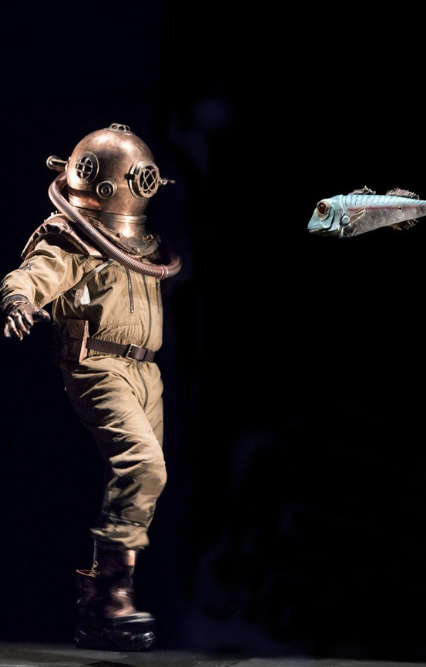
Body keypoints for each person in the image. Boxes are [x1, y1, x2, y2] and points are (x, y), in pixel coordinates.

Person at [0, 123, 182, 652]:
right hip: (98, 365)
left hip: (147, 372)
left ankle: (103, 604)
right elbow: (32, 273)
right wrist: (18, 301)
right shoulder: (75, 235)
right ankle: (111, 597)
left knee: (137, 478)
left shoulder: (142, 241)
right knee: (144, 466)